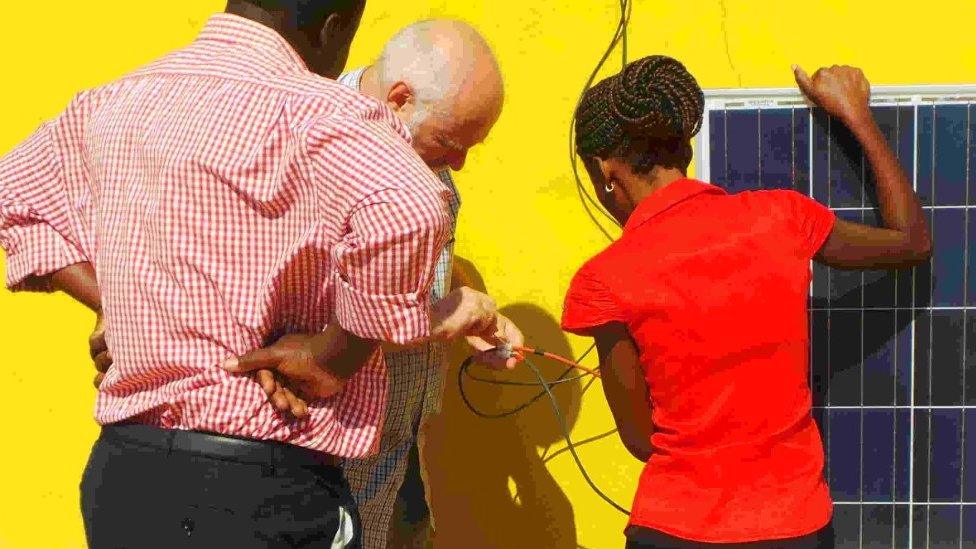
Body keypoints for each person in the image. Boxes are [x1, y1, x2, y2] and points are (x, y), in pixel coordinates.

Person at [0, 1, 505, 547]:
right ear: (336, 27)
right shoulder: (325, 113)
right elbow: (409, 208)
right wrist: (332, 357)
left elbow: (16, 197)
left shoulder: (116, 99)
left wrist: (126, 304)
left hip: (127, 473)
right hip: (261, 483)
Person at [561, 56, 931, 548]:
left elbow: (639, 437)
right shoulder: (781, 217)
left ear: (607, 172)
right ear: (684, 146)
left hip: (674, 529)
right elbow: (911, 242)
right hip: (793, 525)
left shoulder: (602, 280)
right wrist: (855, 115)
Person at [335, 20, 521, 549]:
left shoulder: (417, 143)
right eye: (451, 143)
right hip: (330, 456)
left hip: (400, 446)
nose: (458, 163)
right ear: (399, 99)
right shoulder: (316, 138)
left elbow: (401, 261)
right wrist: (442, 315)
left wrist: (462, 307)